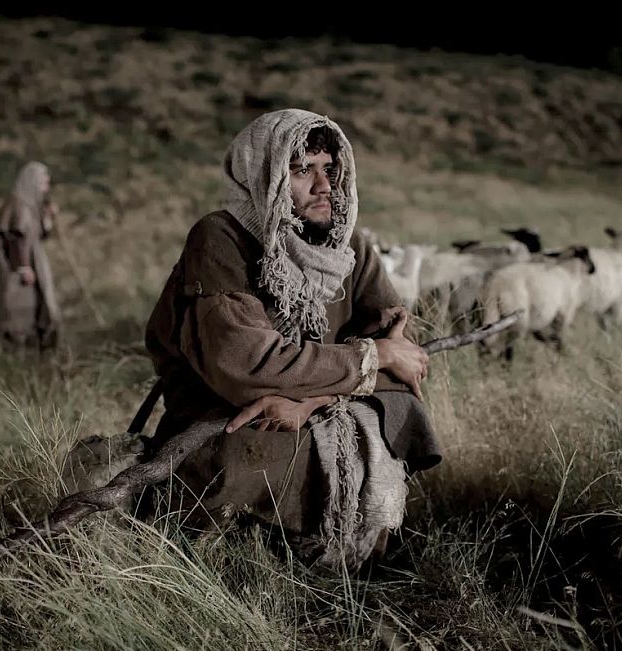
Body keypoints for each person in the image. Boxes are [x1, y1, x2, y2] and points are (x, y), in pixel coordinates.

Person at [142, 109, 441, 571]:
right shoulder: (221, 239)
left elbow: (405, 353)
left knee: (405, 411)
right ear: (264, 175)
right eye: (302, 170)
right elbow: (246, 368)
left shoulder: (350, 245)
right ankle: (236, 564)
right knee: (245, 453)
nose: (325, 187)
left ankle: (354, 553)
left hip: (310, 403)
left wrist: (310, 401)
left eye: (331, 169)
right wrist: (371, 358)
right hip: (228, 412)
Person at [0, 161, 61, 352]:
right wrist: (23, 266)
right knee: (20, 309)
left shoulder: (30, 205)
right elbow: (17, 238)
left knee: (37, 305)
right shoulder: (19, 205)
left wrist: (48, 217)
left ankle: (36, 349)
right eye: (43, 183)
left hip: (33, 263)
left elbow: (37, 235)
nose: (46, 188)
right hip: (19, 268)